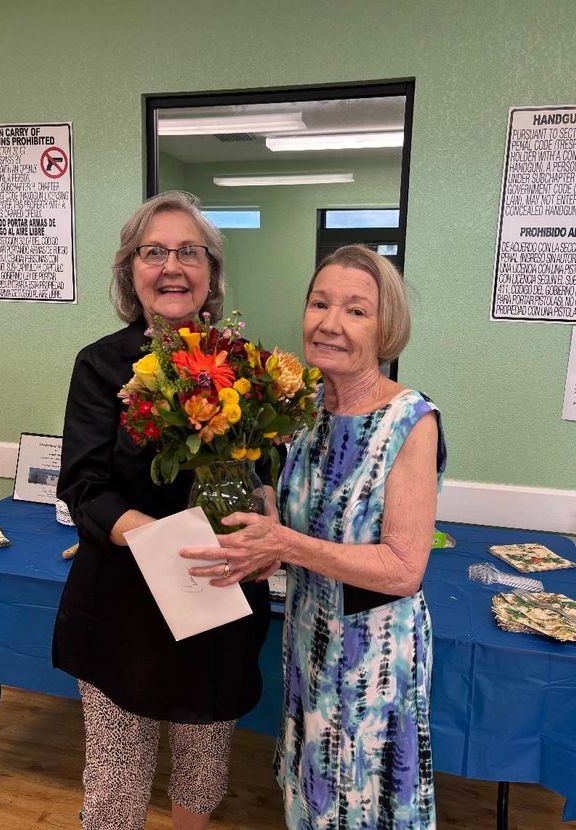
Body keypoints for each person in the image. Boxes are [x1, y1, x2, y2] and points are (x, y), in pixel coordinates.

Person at [181, 244, 447, 829]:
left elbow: (404, 569)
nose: (330, 323)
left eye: (356, 310)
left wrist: (283, 544)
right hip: (309, 640)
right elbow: (302, 519)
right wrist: (259, 525)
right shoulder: (304, 411)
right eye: (319, 303)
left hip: (373, 658)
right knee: (311, 800)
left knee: (360, 806)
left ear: (387, 329)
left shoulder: (411, 421)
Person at [52, 191, 271, 830]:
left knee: (202, 770)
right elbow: (85, 485)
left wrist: (261, 514)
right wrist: (163, 540)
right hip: (124, 606)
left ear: (211, 273)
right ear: (131, 272)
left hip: (216, 597)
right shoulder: (99, 366)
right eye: (154, 252)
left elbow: (261, 471)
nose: (171, 266)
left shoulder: (245, 365)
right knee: (117, 787)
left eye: (188, 252)